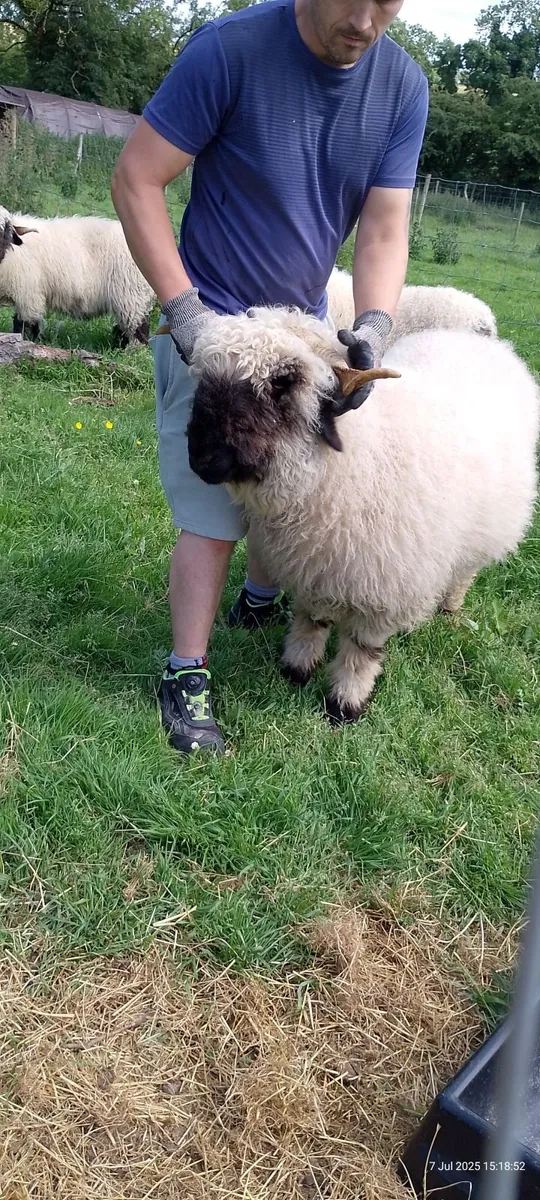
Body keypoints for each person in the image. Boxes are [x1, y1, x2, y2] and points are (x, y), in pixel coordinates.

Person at [111, 0, 429, 756]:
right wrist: (186, 318)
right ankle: (186, 672)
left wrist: (375, 324)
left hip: (304, 328)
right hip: (214, 329)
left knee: (292, 487)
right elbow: (135, 178)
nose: (365, 17)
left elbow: (384, 225)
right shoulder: (230, 50)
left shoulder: (402, 85)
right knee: (213, 508)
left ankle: (261, 596)